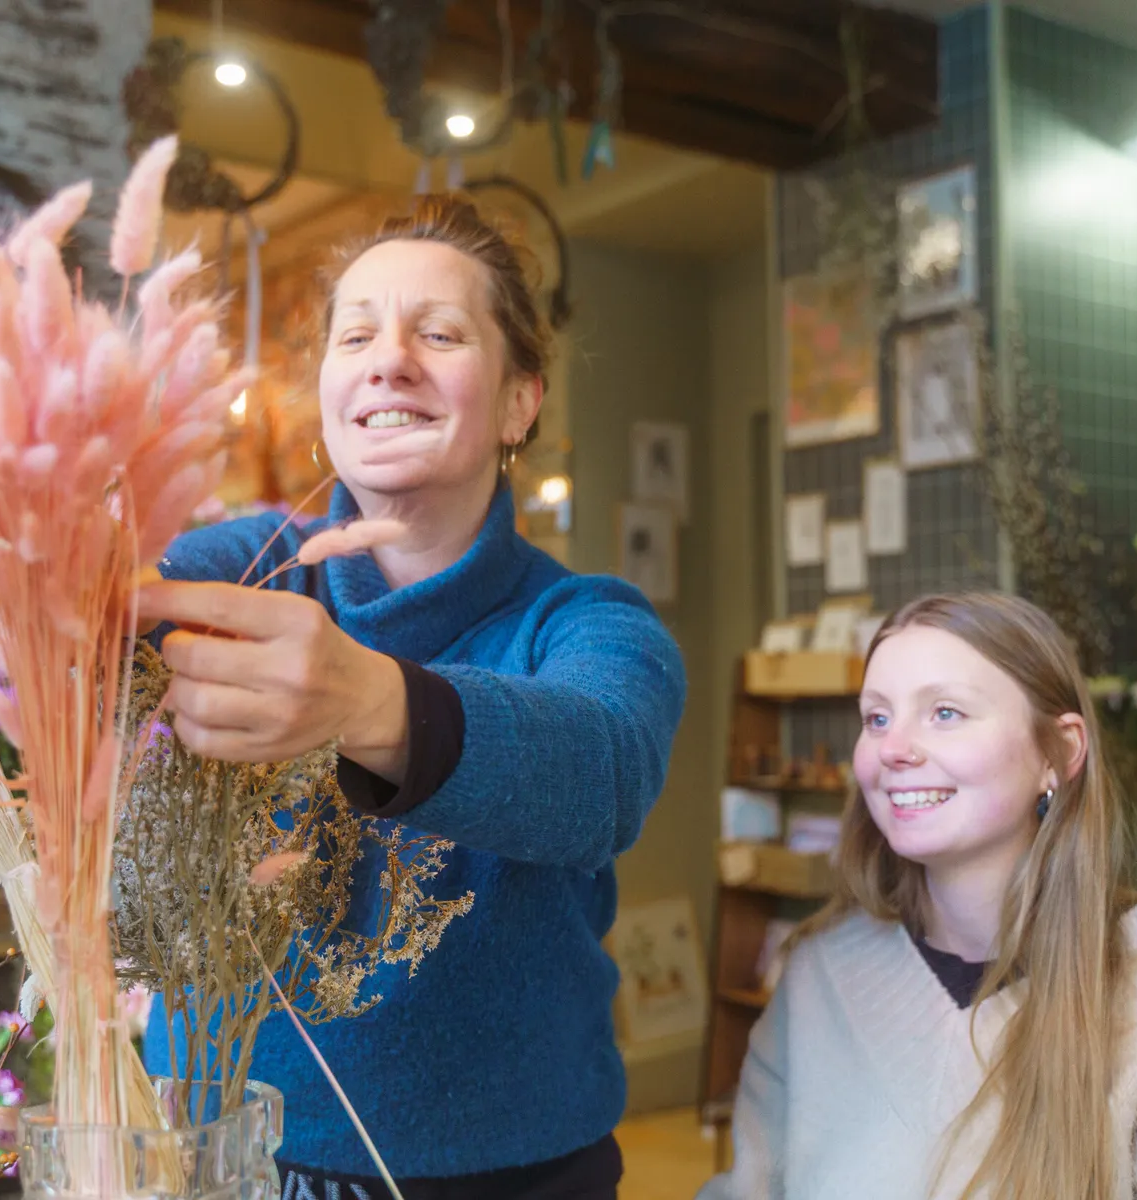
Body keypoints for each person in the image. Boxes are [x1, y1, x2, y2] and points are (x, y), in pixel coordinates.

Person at [136, 195, 687, 1198]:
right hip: (221, 1158)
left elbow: (599, 770)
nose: (390, 359)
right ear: (327, 390)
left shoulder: (587, 622)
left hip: (510, 1177)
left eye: (439, 333)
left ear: (521, 400)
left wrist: (369, 702)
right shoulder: (238, 568)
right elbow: (85, 615)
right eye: (357, 335)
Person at [698, 592, 1137, 1200]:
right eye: (877, 718)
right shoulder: (818, 976)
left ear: (1060, 752)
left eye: (945, 712)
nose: (893, 748)